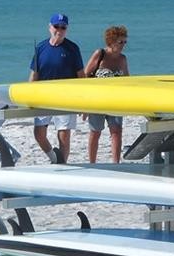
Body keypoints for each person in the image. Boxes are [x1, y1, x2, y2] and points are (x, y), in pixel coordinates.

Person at [28, 13, 84, 163]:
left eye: (63, 27)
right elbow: (34, 74)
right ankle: (54, 158)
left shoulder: (72, 48)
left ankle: (63, 164)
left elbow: (81, 75)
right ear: (49, 27)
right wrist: (29, 97)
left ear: (67, 29)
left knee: (63, 134)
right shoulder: (40, 47)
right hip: (43, 96)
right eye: (56, 26)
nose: (59, 30)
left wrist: (83, 101)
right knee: (39, 134)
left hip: (66, 97)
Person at [83, 25, 130, 162]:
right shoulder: (100, 54)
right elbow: (85, 75)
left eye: (125, 42)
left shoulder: (122, 59)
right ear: (111, 41)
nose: (123, 45)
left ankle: (116, 163)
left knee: (116, 132)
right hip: (97, 100)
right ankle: (92, 163)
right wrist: (84, 103)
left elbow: (127, 80)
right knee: (95, 132)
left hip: (115, 101)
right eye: (120, 42)